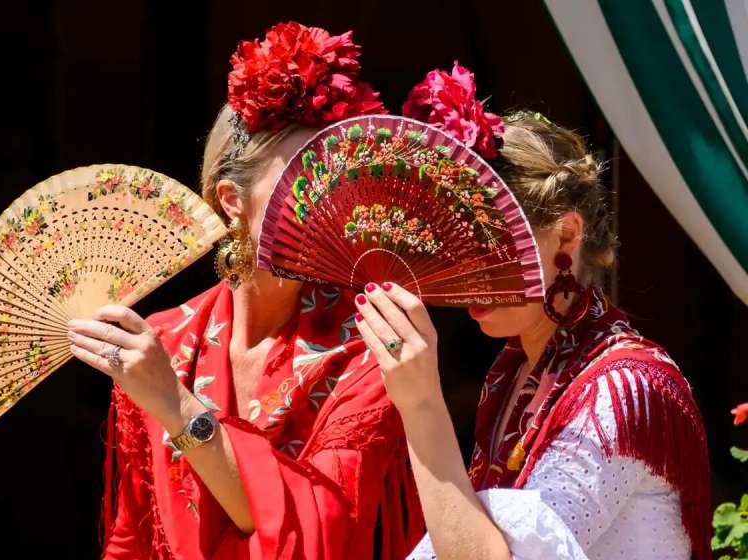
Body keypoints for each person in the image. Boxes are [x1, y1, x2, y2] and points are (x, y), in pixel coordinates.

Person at [67, 22, 424, 560]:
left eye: (338, 179)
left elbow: (319, 531)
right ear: (233, 199)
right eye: (303, 180)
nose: (327, 204)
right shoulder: (161, 343)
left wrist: (176, 404)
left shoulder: (370, 347)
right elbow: (132, 538)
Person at [353, 63, 711, 559]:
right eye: (450, 251)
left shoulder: (621, 388)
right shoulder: (519, 371)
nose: (463, 276)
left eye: (487, 247)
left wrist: (422, 406)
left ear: (565, 234)